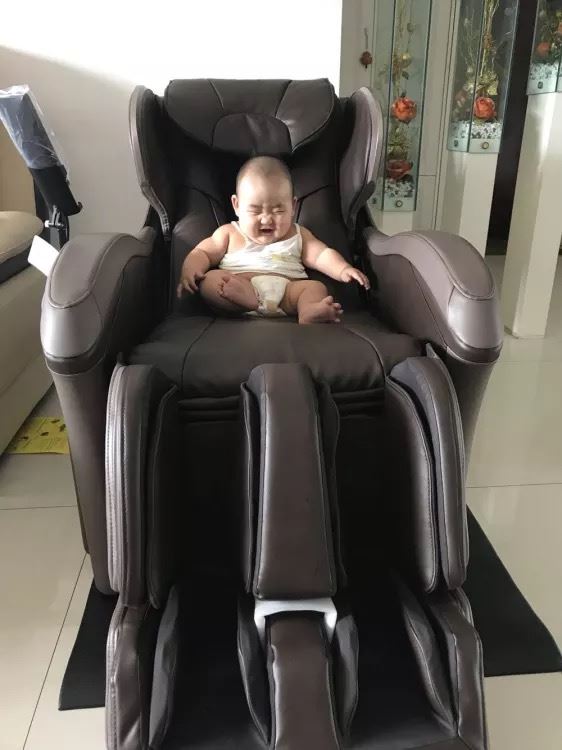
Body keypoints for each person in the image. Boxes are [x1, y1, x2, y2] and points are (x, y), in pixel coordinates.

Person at [177, 155, 369, 323]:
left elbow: (321, 255)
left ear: (293, 206)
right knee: (210, 281)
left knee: (315, 287)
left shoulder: (298, 234)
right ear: (236, 205)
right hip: (238, 287)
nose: (266, 219)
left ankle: (308, 310)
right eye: (255, 211)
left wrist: (343, 269)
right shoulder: (229, 233)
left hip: (287, 293)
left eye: (278, 211)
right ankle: (246, 300)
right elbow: (202, 252)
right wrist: (190, 269)